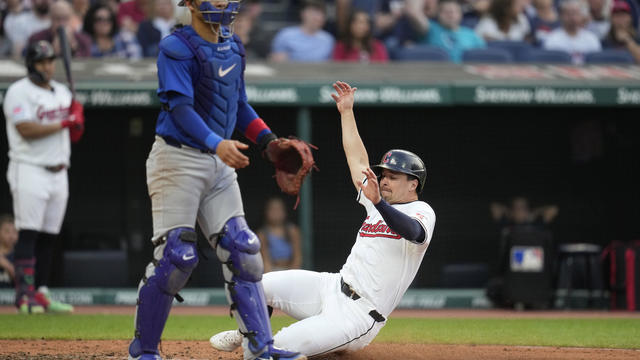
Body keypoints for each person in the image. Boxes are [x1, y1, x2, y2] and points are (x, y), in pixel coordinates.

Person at [126, 0, 305, 359]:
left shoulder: (234, 45)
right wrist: (216, 143)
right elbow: (180, 108)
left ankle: (260, 348)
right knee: (177, 256)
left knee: (244, 250)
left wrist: (267, 140)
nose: (222, 2)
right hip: (177, 159)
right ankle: (144, 351)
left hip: (218, 161)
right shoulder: (175, 46)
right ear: (190, 3)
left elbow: (238, 104)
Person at [209, 81, 436, 357]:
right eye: (384, 175)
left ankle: (280, 344)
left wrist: (378, 202)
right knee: (254, 284)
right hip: (331, 286)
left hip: (360, 314)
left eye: (393, 177)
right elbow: (357, 158)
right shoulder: (377, 201)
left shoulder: (421, 211)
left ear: (413, 184)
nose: (385, 180)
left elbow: (413, 231)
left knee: (275, 350)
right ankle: (248, 333)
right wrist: (346, 112)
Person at [3, 40, 84, 314]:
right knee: (29, 233)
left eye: (50, 61)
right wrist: (64, 121)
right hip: (29, 167)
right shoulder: (18, 91)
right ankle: (24, 296)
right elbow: (25, 128)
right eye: (41, 61)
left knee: (50, 236)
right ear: (31, 64)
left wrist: (77, 121)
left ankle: (41, 292)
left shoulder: (62, 91)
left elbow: (74, 133)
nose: (47, 66)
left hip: (59, 170)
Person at [421, 0, 486, 63]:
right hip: (436, 71)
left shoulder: (472, 35)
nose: (450, 14)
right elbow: (413, 13)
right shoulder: (429, 28)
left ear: (461, 14)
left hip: (464, 72)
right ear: (438, 14)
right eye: (446, 12)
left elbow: (482, 58)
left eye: (454, 11)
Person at [269, 0, 335, 62]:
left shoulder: (328, 40)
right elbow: (274, 60)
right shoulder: (285, 35)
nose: (318, 17)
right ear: (303, 13)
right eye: (313, 12)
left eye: (321, 13)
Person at [543, 0, 602, 64]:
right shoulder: (552, 39)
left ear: (581, 16)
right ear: (561, 16)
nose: (572, 17)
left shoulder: (591, 38)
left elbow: (598, 61)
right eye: (568, 14)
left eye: (575, 13)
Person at [28, 0, 92, 58]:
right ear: (51, 19)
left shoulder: (84, 40)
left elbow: (86, 64)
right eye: (57, 18)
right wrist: (52, 51)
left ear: (71, 19)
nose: (61, 24)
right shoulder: (37, 39)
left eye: (65, 19)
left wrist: (73, 47)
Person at [257, 197, 303, 273]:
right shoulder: (262, 234)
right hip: (272, 271)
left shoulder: (293, 231)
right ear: (266, 212)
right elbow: (265, 261)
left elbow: (298, 258)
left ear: (284, 212)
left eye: (279, 209)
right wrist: (272, 276)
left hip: (291, 271)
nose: (276, 213)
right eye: (272, 210)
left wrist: (292, 274)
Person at [0, 215, 18, 289]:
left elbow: (25, 283)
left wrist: (7, 265)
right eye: (7, 231)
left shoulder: (21, 256)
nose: (11, 236)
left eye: (14, 232)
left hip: (11, 298)